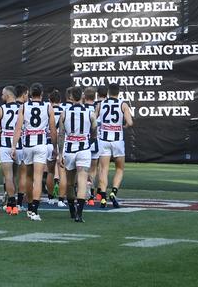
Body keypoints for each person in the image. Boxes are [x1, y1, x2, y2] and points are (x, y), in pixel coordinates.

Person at [14, 82, 56, 221]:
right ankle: (34, 210)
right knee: (38, 178)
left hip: (27, 145)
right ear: (42, 94)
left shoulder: (24, 107)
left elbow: (18, 128)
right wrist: (56, 147)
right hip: (41, 145)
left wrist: (14, 146)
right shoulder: (48, 106)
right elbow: (53, 130)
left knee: (28, 177)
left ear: (31, 94)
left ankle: (30, 205)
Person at [60, 86, 96, 223]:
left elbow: (61, 134)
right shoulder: (90, 113)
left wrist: (60, 154)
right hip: (84, 149)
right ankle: (79, 215)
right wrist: (87, 141)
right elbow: (94, 132)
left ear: (70, 97)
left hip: (69, 149)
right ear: (81, 96)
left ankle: (72, 210)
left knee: (69, 183)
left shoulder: (64, 113)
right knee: (82, 181)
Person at [96, 82, 134, 208]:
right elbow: (130, 122)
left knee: (103, 170)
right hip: (117, 140)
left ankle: (103, 198)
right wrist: (124, 126)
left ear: (108, 92)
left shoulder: (101, 104)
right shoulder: (123, 104)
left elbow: (94, 121)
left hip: (104, 140)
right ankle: (113, 192)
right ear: (118, 92)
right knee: (119, 168)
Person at [0, 86, 20, 215]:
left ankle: (11, 203)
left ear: (8, 95)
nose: (1, 96)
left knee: (8, 176)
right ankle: (18, 203)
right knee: (17, 176)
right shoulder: (23, 108)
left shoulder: (0, 109)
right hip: (20, 145)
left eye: (3, 94)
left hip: (5, 144)